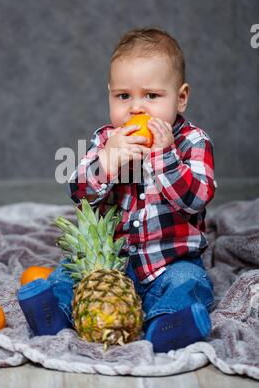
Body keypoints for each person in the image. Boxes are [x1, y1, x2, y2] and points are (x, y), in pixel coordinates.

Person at [19, 27, 217, 353]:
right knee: (66, 278)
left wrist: (165, 158)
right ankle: (51, 315)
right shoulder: (106, 140)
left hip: (170, 264)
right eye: (123, 96)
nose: (136, 109)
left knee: (190, 284)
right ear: (110, 94)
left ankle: (165, 326)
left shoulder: (192, 142)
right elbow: (80, 194)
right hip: (109, 269)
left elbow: (196, 200)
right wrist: (106, 163)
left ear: (180, 98)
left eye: (151, 96)